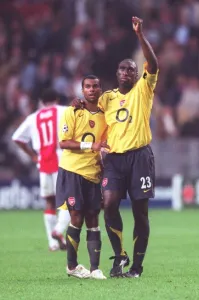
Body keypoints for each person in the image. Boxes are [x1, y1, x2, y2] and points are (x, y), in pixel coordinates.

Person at [99, 16, 159, 278]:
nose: (126, 72)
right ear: (117, 74)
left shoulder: (144, 89)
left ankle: (137, 266)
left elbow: (154, 63)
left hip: (140, 157)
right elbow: (92, 119)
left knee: (140, 212)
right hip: (114, 160)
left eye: (130, 69)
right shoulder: (106, 99)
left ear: (137, 74)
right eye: (122, 69)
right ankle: (120, 255)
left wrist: (140, 36)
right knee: (109, 204)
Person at [56, 75, 108, 279]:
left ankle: (95, 268)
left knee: (93, 218)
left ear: (100, 89)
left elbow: (104, 145)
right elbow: (64, 143)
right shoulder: (73, 111)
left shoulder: (106, 115)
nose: (92, 89)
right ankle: (72, 266)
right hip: (72, 171)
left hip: (93, 173)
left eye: (95, 86)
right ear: (82, 89)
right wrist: (90, 146)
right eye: (88, 86)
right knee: (76, 216)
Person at [12, 88, 70, 252]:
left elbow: (17, 138)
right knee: (67, 200)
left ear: (42, 102)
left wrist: (32, 156)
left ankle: (52, 244)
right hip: (61, 159)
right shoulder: (64, 111)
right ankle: (58, 230)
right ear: (57, 99)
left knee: (50, 201)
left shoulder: (33, 117)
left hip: (43, 161)